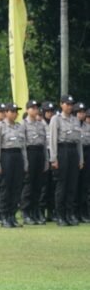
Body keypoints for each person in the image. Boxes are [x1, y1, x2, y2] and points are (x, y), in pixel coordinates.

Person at [48, 94, 84, 226]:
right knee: (61, 185)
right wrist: (53, 158)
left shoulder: (75, 120)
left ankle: (70, 214)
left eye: (71, 104)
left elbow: (79, 141)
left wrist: (80, 158)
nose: (69, 106)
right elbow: (52, 140)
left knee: (72, 185)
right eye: (67, 104)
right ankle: (60, 215)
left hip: (73, 151)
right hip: (62, 151)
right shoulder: (56, 119)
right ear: (61, 104)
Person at [0, 103, 28, 228]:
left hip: (18, 157)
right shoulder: (0, 127)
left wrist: (25, 163)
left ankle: (12, 215)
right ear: (6, 112)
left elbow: (23, 147)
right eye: (12, 111)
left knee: (16, 188)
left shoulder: (20, 127)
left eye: (16, 111)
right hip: (6, 156)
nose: (15, 114)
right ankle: (4, 216)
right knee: (6, 188)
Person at [20, 100, 48, 225]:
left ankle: (36, 211)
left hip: (39, 153)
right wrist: (25, 161)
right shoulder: (23, 125)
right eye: (32, 107)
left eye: (36, 108)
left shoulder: (41, 124)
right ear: (27, 110)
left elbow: (44, 144)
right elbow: (22, 145)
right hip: (29, 153)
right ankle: (26, 211)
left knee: (38, 184)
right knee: (29, 184)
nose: (35, 110)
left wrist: (46, 160)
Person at [40, 101, 57, 221]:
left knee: (53, 185)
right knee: (43, 185)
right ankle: (40, 211)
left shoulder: (55, 122)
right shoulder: (39, 124)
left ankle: (51, 211)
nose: (50, 113)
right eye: (47, 111)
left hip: (54, 154)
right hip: (43, 154)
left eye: (51, 111)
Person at [74, 102, 89, 222]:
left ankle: (82, 213)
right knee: (74, 185)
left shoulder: (87, 126)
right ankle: (73, 212)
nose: (82, 114)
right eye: (79, 112)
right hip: (75, 153)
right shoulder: (72, 125)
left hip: (87, 154)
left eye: (83, 112)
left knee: (84, 185)